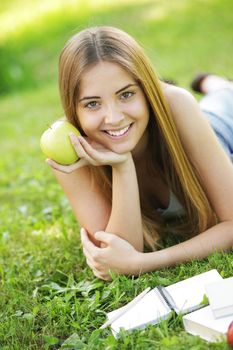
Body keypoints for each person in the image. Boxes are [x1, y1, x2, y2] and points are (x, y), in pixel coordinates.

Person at [46, 26, 233, 280]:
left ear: (147, 91)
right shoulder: (69, 145)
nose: (113, 118)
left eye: (126, 94)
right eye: (92, 103)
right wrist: (122, 166)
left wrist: (147, 262)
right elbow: (114, 257)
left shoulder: (177, 104)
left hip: (221, 130)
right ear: (73, 108)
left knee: (224, 99)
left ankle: (215, 84)